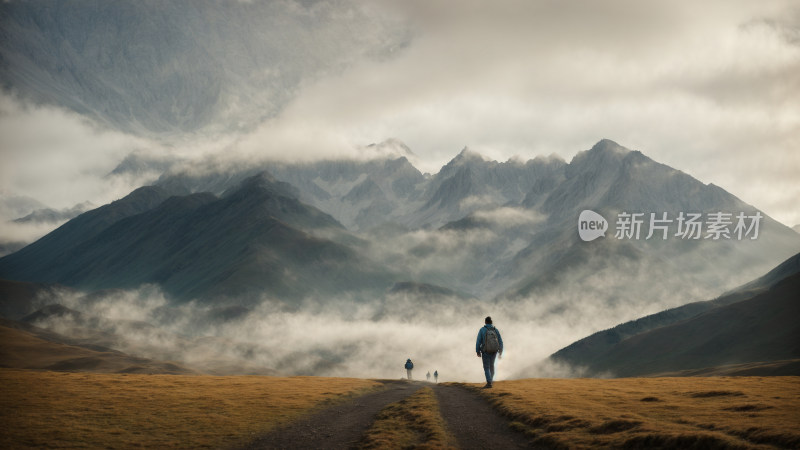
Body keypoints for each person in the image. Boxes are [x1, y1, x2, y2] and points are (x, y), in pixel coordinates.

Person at [476, 316, 503, 388]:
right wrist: (500, 351)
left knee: (486, 367)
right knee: (492, 366)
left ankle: (489, 383)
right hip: (494, 351)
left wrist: (477, 351)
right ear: (491, 322)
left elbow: (478, 341)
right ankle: (491, 380)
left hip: (486, 351)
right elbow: (500, 341)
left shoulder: (482, 330)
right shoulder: (495, 330)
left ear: (485, 322)